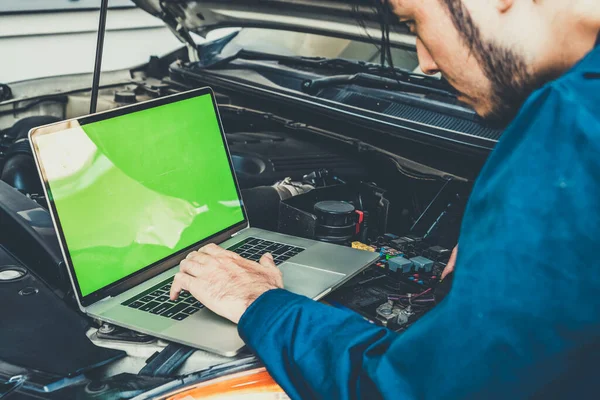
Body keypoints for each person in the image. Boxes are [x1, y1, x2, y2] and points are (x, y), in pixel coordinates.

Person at [170, 0, 600, 398]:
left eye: (413, 21)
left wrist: (260, 304)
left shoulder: (573, 131)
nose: (425, 62)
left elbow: (411, 391)